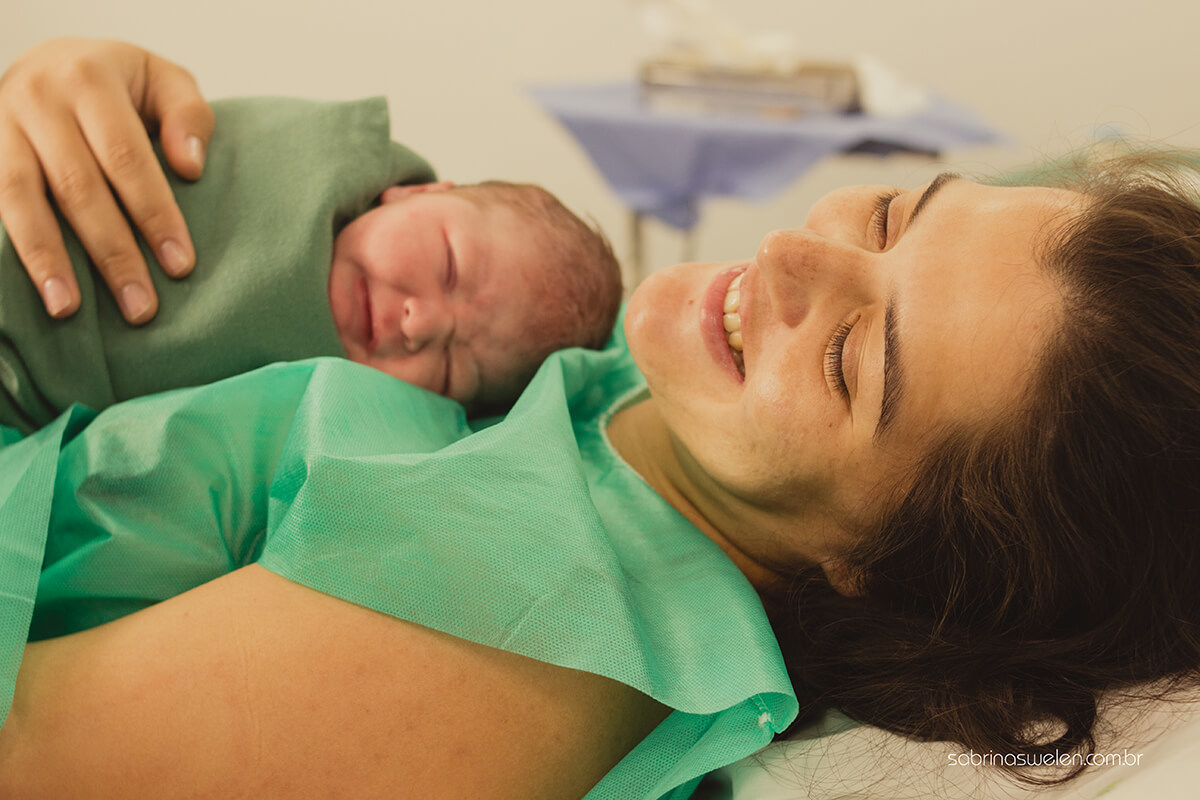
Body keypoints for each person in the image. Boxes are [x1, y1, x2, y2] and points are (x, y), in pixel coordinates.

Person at [2, 37, 1200, 800]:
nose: (788, 252)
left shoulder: (530, 617)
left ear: (877, 566)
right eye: (889, 216)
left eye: (847, 359)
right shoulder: (618, 400)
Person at [0, 91, 622, 431]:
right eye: (450, 266)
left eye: (454, 367)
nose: (421, 324)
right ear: (420, 191)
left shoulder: (316, 421)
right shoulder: (311, 155)